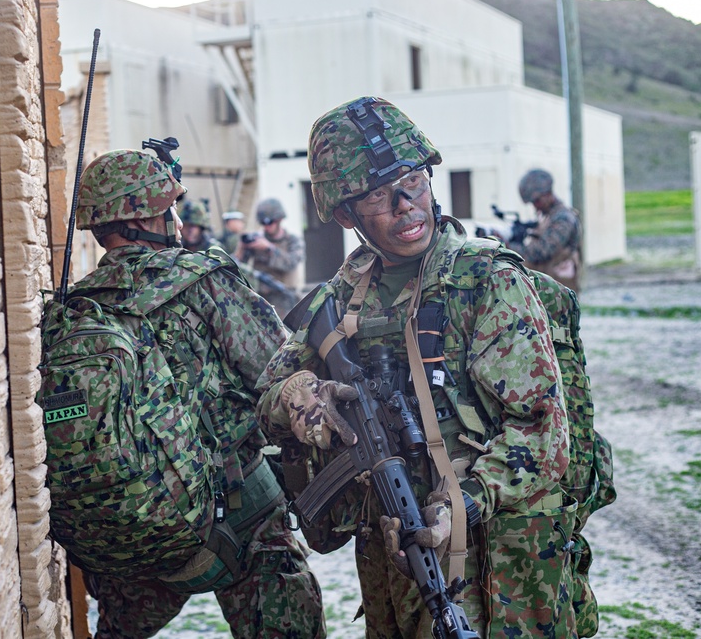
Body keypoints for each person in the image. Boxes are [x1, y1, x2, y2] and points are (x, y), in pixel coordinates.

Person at [255, 96, 575, 638]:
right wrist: (304, 397)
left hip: (498, 566)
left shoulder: (486, 281)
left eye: (415, 182)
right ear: (344, 212)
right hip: (390, 562)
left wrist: (463, 504)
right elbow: (266, 397)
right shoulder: (343, 297)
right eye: (379, 194)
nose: (406, 205)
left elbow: (544, 432)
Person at [69, 149, 324, 639]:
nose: (176, 216)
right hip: (238, 516)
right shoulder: (204, 281)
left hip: (133, 522)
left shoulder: (78, 307)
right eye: (169, 206)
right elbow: (275, 370)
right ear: (146, 214)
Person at [508, 168, 582, 292]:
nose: (535, 205)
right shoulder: (547, 216)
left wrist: (509, 247)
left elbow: (542, 251)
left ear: (548, 194)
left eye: (537, 200)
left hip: (559, 293)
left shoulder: (563, 219)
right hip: (547, 287)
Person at [240, 198, 305, 319]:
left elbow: (291, 263)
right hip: (261, 298)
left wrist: (270, 249)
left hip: (286, 298)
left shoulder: (293, 240)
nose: (265, 226)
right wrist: (242, 248)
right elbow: (238, 265)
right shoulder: (257, 239)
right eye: (262, 223)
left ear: (279, 220)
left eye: (269, 222)